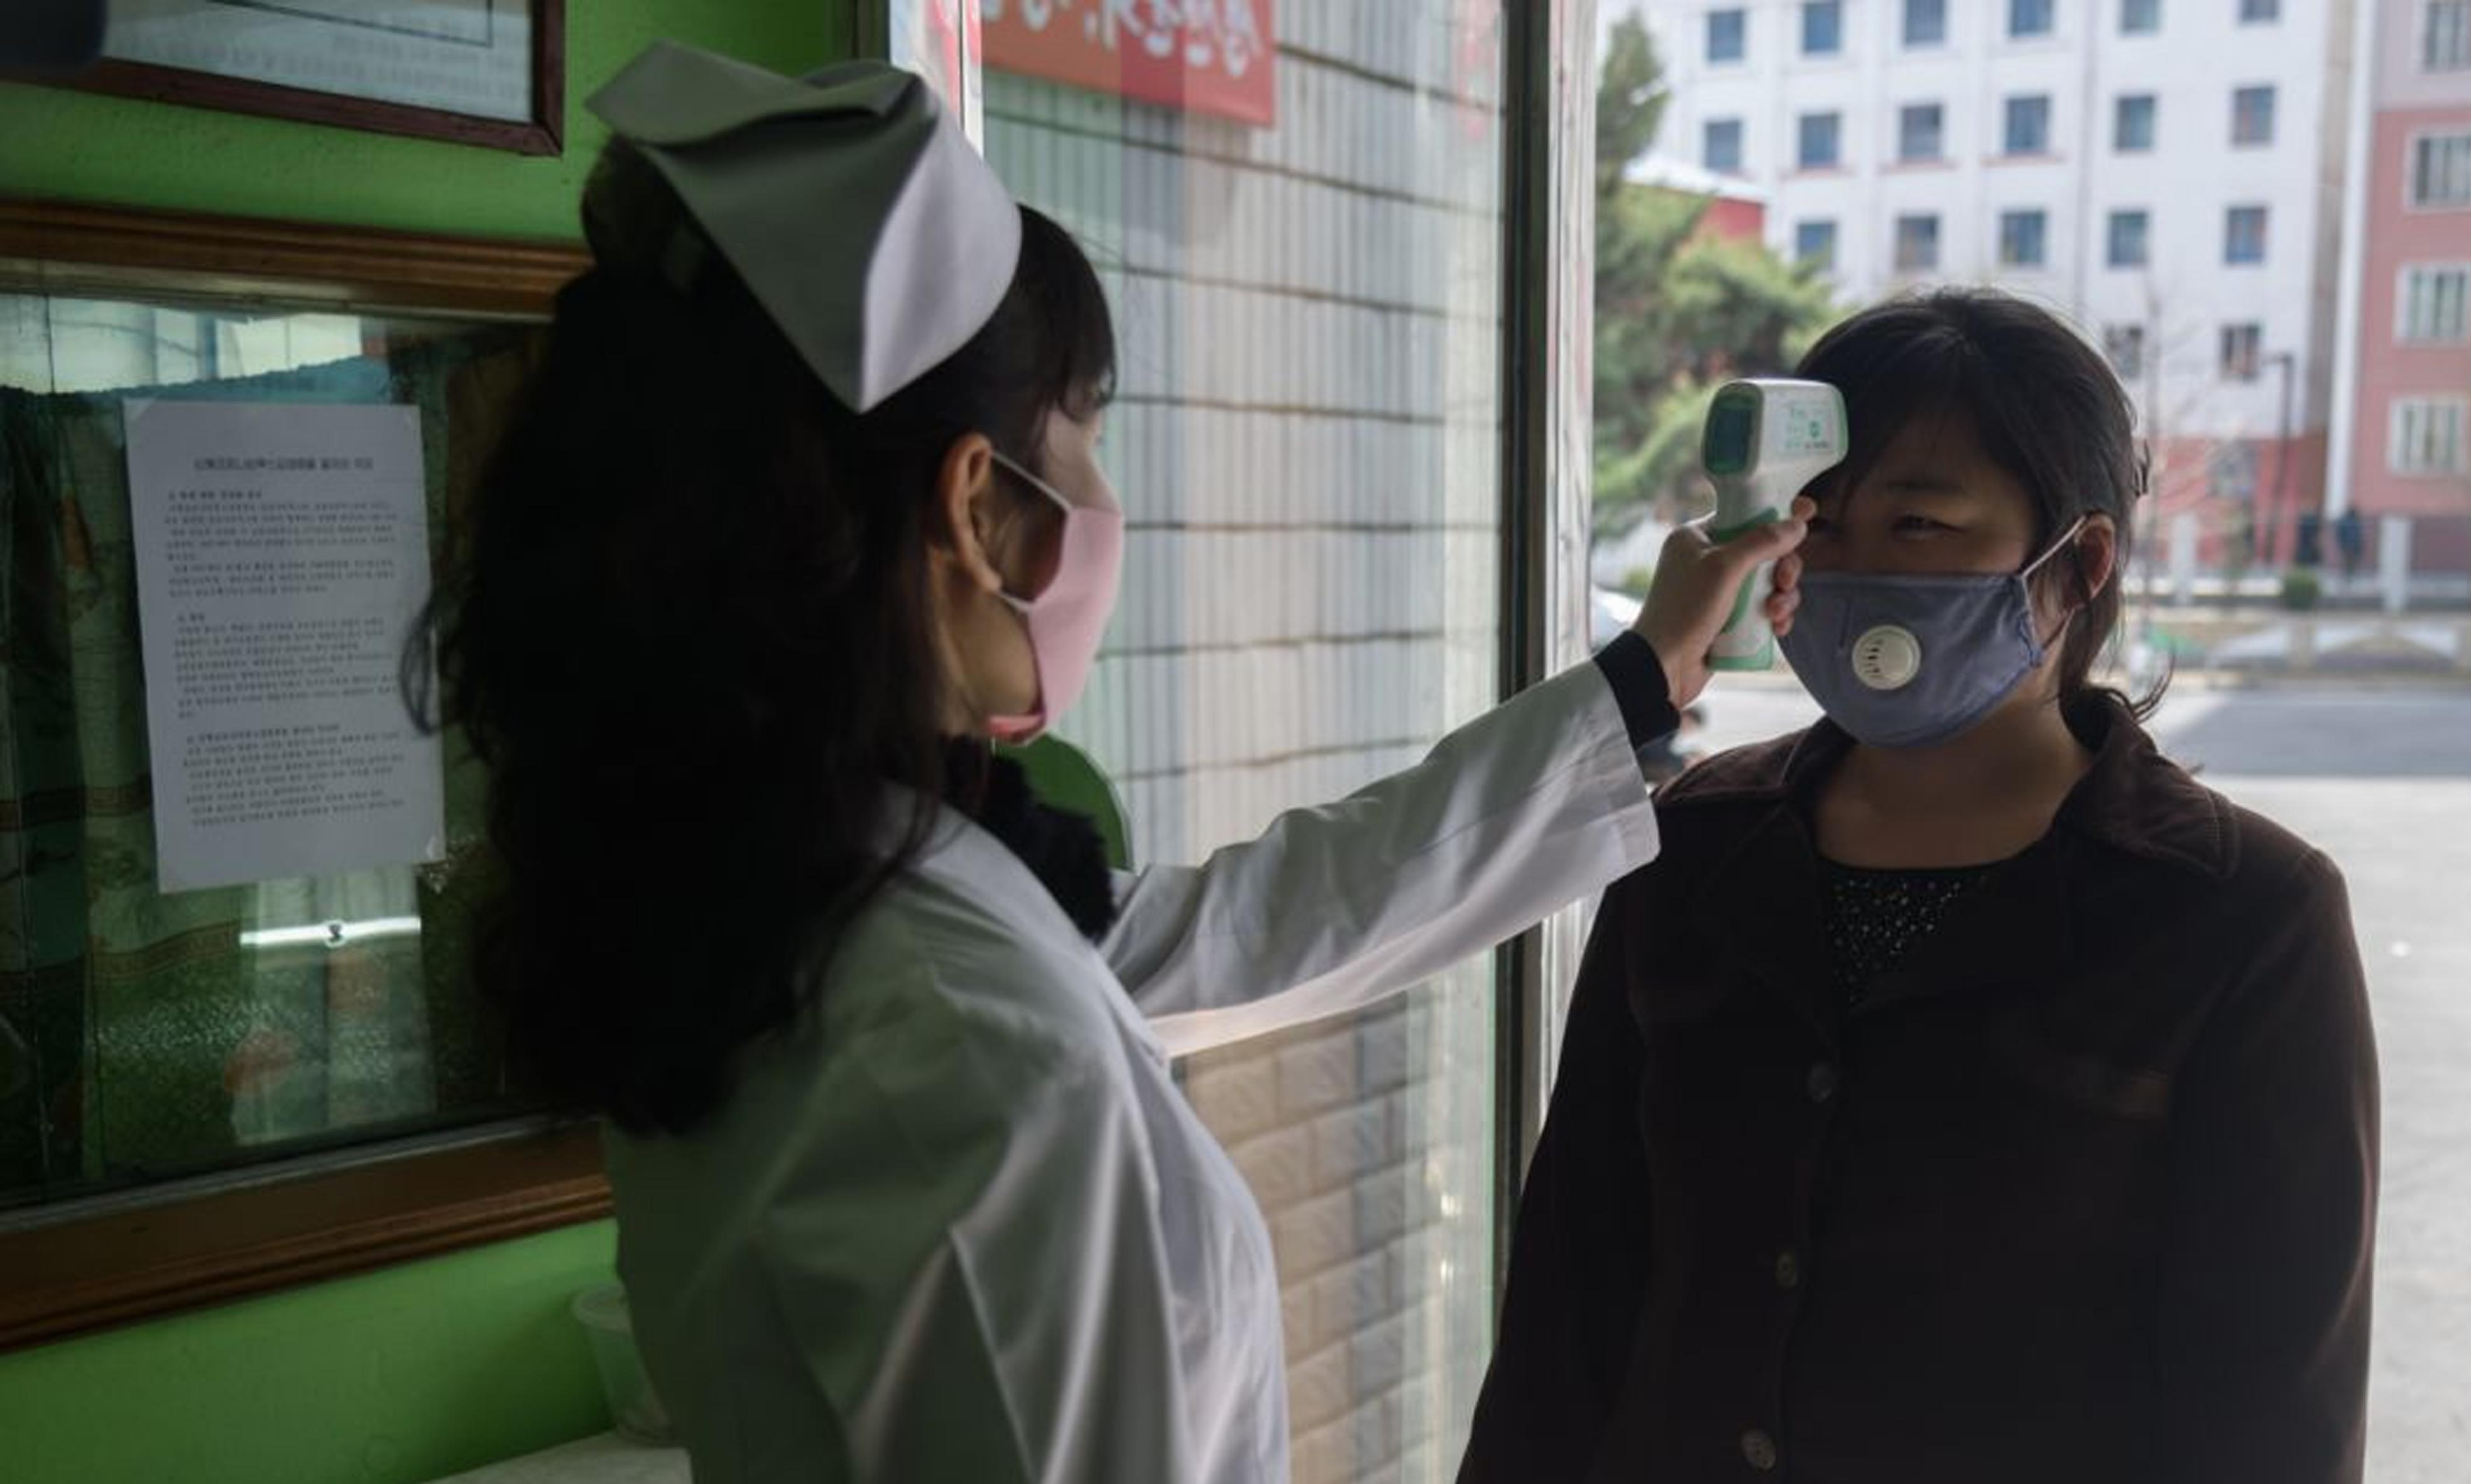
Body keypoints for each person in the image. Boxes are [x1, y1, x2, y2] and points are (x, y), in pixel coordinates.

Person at [415, 43, 1806, 1484]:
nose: (1100, 492)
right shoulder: (958, 1039)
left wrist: (1642, 680)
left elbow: (1251, 921)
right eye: (1081, 428)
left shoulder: (777, 888)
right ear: (974, 503)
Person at [1459, 289, 2379, 1484]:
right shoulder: (1692, 851)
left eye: (1919, 526)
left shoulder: (2243, 917)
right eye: (1821, 529)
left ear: (2080, 562)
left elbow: (2271, 1413)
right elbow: (1572, 1297)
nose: (1847, 573)